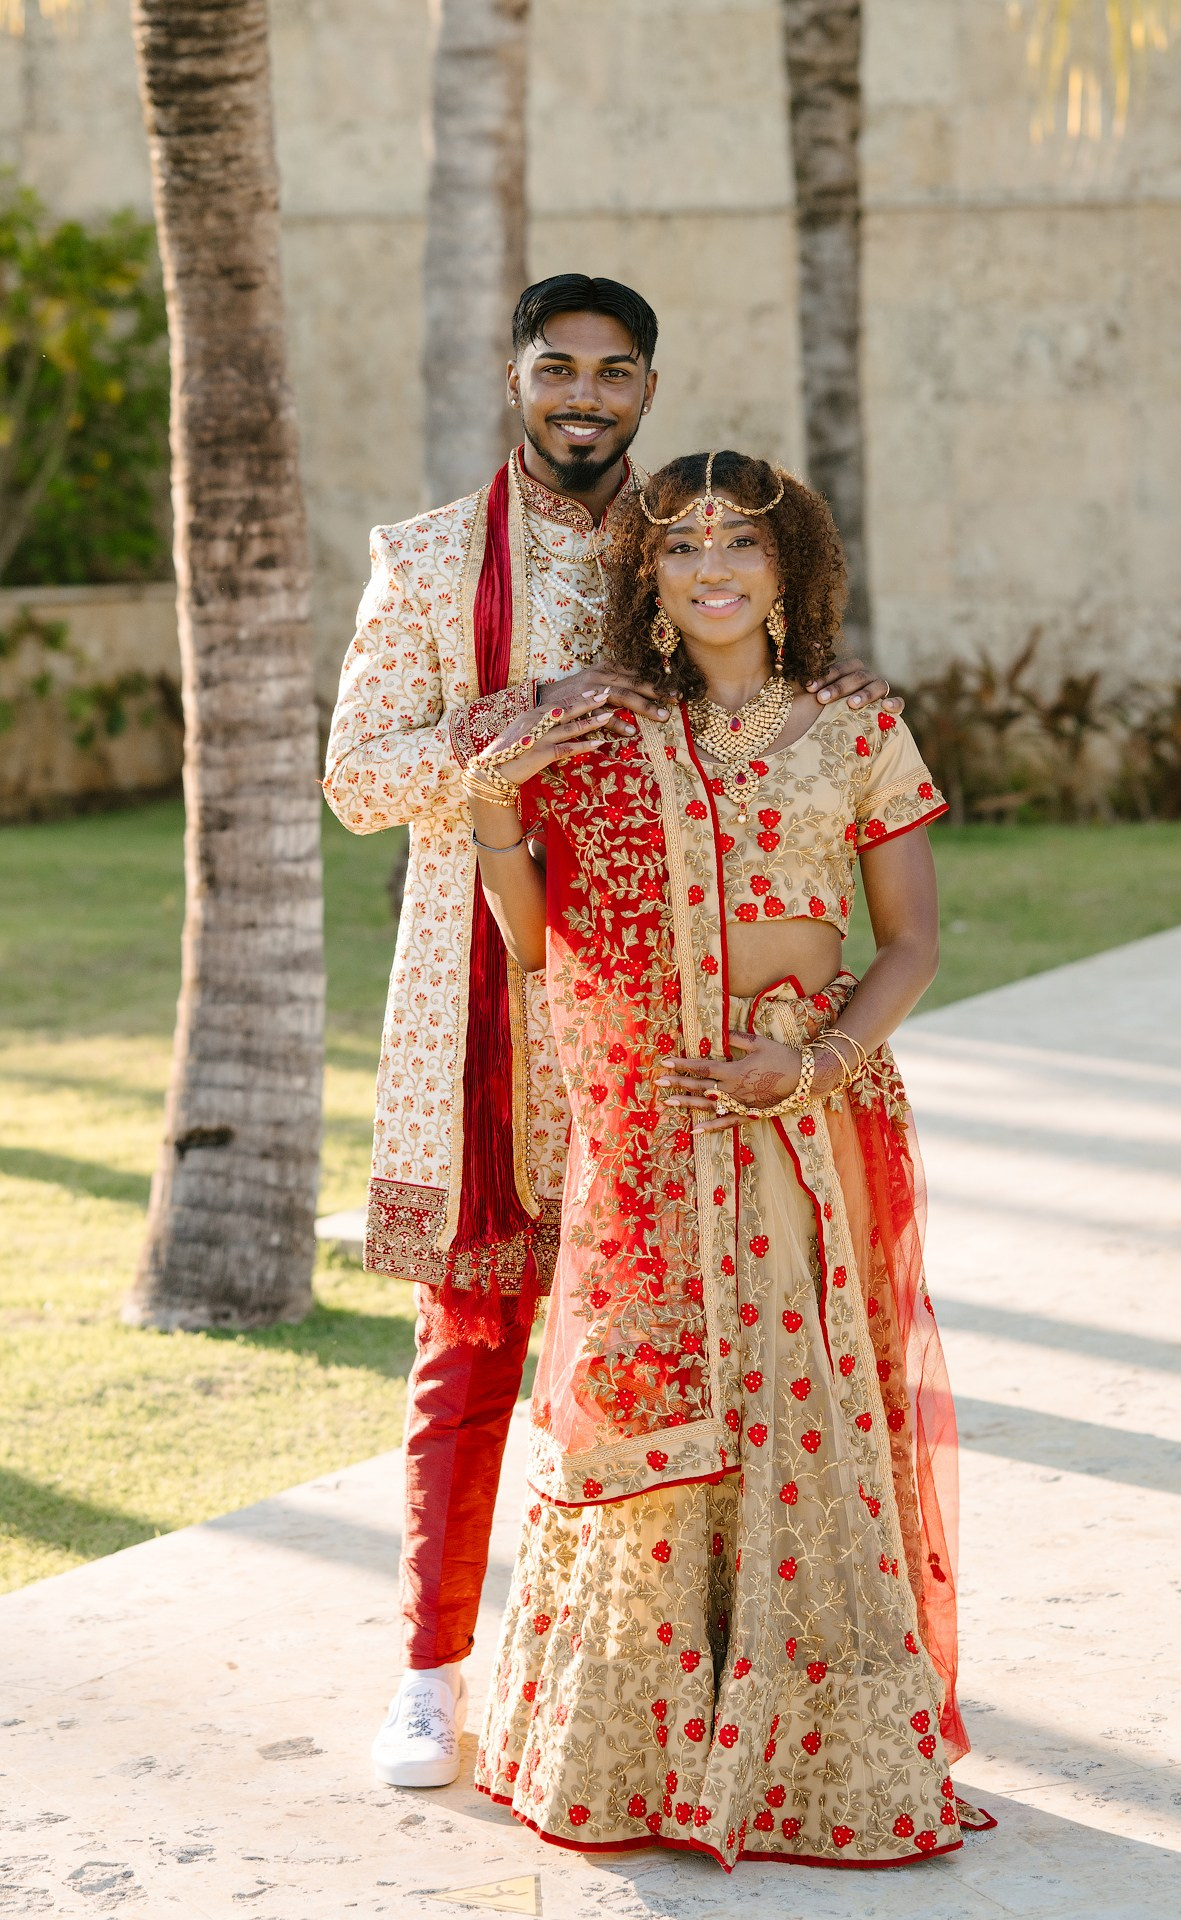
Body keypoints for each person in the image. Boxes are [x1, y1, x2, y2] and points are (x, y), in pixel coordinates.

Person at [324, 281, 898, 1789]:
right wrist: (515, 725)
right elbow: (356, 778)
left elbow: (762, 686)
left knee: (702, 1329)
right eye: (557, 368)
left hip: (691, 1018)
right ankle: (433, 1675)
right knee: (479, 1332)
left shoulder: (691, 528)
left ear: (648, 388)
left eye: (614, 373)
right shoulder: (434, 563)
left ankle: (694, 1669)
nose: (585, 395)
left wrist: (825, 683)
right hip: (495, 987)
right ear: (517, 379)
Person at [460, 450, 994, 1868]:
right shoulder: (611, 743)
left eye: (742, 545)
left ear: (788, 571)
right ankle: (639, 1750)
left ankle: (812, 1759)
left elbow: (913, 945)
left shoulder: (856, 724)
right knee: (657, 1417)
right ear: (649, 577)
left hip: (799, 1122)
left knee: (804, 1411)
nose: (712, 568)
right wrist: (502, 810)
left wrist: (813, 1063)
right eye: (683, 544)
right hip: (658, 1121)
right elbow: (533, 940)